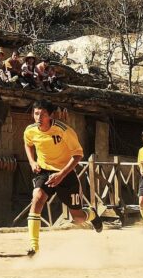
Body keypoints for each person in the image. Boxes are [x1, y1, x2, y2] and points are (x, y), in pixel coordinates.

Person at [23, 99, 102, 256]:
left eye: (43, 114)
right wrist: (32, 162)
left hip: (65, 173)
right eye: (36, 113)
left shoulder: (64, 131)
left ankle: (91, 214)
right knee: (37, 198)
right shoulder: (30, 130)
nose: (38, 117)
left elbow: (78, 154)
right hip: (44, 171)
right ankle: (34, 246)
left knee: (78, 218)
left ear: (50, 115)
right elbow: (28, 144)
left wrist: (61, 174)